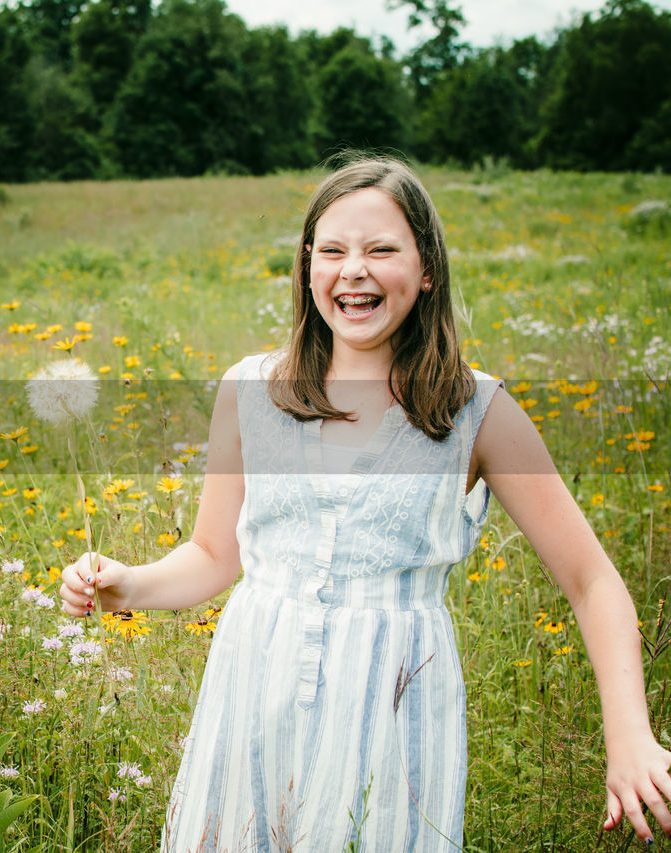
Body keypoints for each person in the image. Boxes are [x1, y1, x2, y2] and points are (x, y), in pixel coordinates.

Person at [58, 155, 671, 851]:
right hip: (255, 691)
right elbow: (211, 555)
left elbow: (593, 582)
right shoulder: (250, 389)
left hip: (395, 710)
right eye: (333, 250)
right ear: (307, 267)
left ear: (428, 267)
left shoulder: (476, 411)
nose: (354, 269)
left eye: (382, 249)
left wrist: (630, 738)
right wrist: (126, 583)